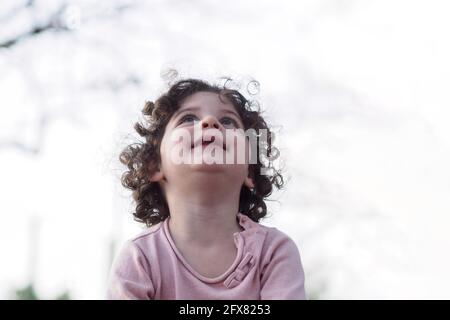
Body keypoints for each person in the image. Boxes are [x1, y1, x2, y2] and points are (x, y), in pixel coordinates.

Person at [107, 78, 306, 299]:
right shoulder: (139, 258)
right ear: (155, 164)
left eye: (228, 122)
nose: (211, 121)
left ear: (249, 170)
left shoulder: (274, 252)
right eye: (188, 118)